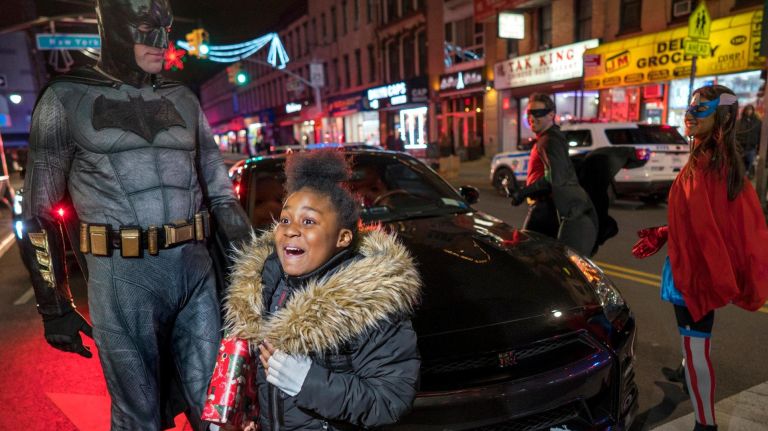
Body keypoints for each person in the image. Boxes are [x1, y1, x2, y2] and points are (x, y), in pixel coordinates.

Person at [21, 0, 252, 428]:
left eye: (165, 30)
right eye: (145, 28)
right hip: (123, 277)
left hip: (194, 271)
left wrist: (256, 276)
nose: (160, 42)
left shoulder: (182, 98)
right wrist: (54, 306)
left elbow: (222, 196)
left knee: (219, 409)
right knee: (138, 417)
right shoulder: (65, 98)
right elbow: (38, 214)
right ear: (112, 27)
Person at [223, 150, 422, 430]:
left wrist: (308, 382)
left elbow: (389, 399)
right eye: (285, 219)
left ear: (342, 237)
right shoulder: (264, 288)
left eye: (308, 221)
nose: (291, 230)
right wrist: (252, 416)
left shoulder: (367, 304)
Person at [632, 85, 768, 431]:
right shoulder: (717, 161)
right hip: (694, 268)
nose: (689, 114)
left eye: (700, 109)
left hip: (694, 274)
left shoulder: (708, 165)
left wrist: (676, 244)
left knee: (696, 350)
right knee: (692, 348)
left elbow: (707, 232)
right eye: (690, 107)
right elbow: (704, 221)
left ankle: (705, 424)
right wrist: (666, 232)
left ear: (720, 117)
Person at [504, 92, 598, 256]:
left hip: (544, 207)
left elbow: (555, 178)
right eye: (530, 113)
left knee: (523, 252)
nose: (533, 117)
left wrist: (522, 193)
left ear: (551, 115)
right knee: (544, 257)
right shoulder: (548, 138)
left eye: (539, 113)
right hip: (547, 206)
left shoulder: (549, 141)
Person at [735, 104, 761, 178]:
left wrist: (759, 148)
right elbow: (736, 135)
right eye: (747, 110)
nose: (749, 111)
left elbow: (760, 135)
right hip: (740, 148)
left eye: (750, 110)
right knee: (740, 166)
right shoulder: (739, 122)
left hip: (751, 148)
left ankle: (747, 176)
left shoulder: (757, 122)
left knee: (749, 164)